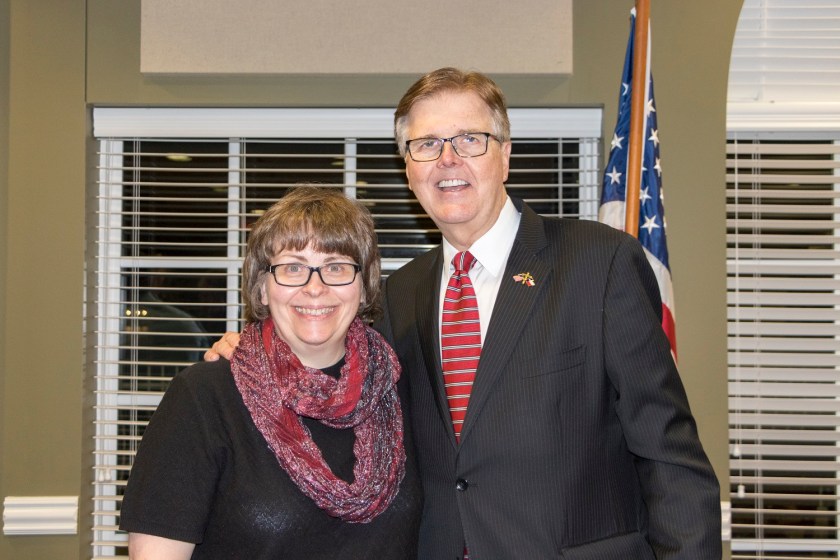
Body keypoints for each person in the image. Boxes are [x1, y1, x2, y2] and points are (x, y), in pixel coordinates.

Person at [208, 68, 722, 559]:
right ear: (408, 170)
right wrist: (253, 354)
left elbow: (669, 459)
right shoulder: (396, 297)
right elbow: (336, 393)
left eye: (470, 140)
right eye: (427, 145)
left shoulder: (599, 263)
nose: (447, 159)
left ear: (505, 155)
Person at [120, 186, 422, 559]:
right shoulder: (204, 397)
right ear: (263, 288)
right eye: (293, 267)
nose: (315, 287)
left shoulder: (402, 389)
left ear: (364, 288)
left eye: (336, 266)